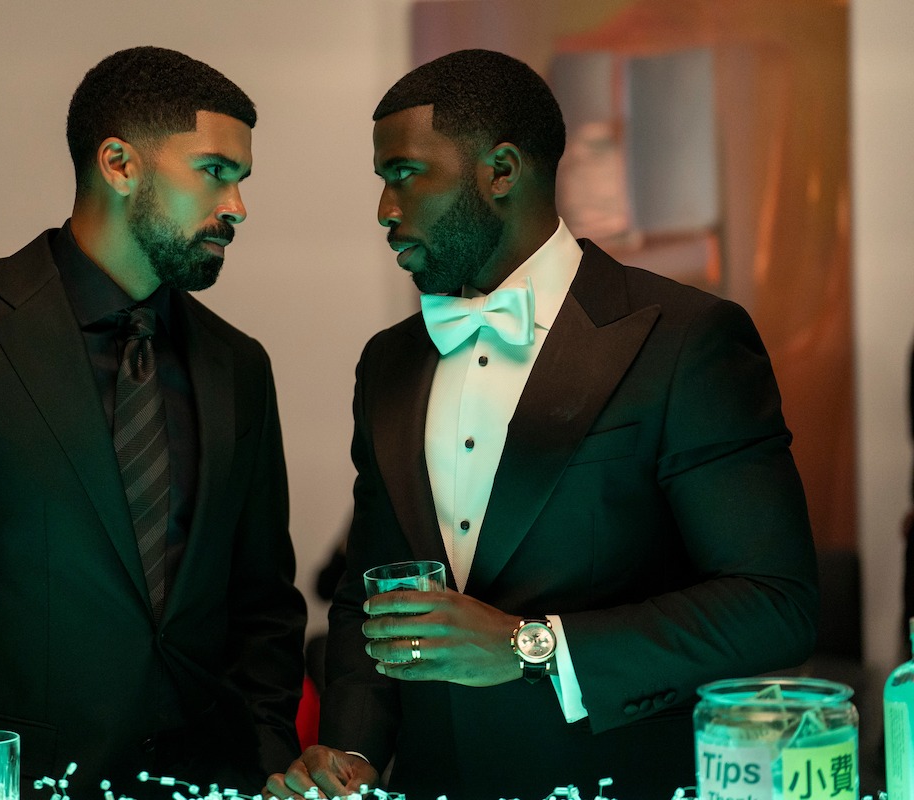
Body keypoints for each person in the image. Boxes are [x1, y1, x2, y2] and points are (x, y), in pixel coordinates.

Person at [267, 49, 818, 800]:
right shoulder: (388, 364)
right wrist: (354, 751)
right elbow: (373, 598)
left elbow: (773, 603)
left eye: (403, 175)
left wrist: (536, 647)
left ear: (500, 170)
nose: (384, 211)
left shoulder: (685, 340)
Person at [0, 46, 306, 796]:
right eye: (214, 172)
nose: (236, 207)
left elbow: (263, 602)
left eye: (242, 180)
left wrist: (266, 756)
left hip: (210, 782)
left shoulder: (240, 365)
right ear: (118, 163)